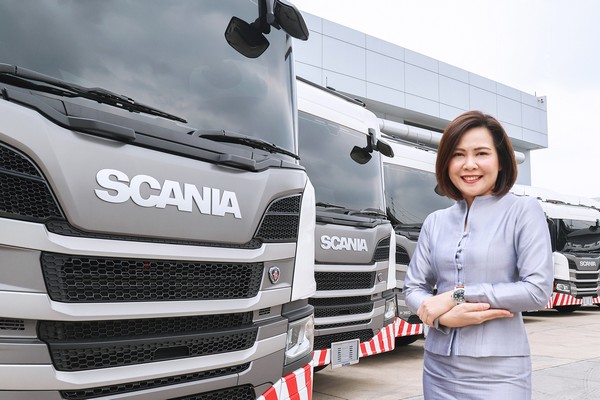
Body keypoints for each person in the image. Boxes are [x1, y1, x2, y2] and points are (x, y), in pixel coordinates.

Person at [403, 110, 553, 399]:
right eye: (458, 155)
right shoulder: (435, 221)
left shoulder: (523, 211)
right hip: (438, 368)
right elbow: (413, 288)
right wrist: (443, 318)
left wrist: (457, 296)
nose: (469, 164)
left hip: (501, 371)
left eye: (481, 153)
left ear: (501, 160)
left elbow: (537, 291)